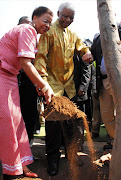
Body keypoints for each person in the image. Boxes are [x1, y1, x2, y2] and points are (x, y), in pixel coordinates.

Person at [34, 2, 93, 176]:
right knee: (53, 125)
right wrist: (43, 83)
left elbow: (82, 46)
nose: (67, 20)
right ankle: (52, 159)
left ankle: (71, 155)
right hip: (53, 86)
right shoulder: (48, 31)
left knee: (71, 124)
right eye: (65, 16)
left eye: (71, 18)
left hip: (70, 87)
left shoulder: (73, 34)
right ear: (58, 13)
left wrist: (86, 52)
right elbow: (41, 58)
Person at [0, 6, 54, 179]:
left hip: (11, 78)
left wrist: (38, 84)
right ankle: (10, 169)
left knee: (17, 121)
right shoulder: (27, 29)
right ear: (35, 17)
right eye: (45, 21)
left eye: (50, 24)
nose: (47, 26)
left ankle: (20, 165)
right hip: (2, 74)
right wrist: (45, 85)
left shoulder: (32, 35)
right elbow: (26, 63)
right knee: (7, 121)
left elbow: (24, 66)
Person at [17, 16, 40, 146]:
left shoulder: (35, 45)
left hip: (29, 86)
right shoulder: (9, 41)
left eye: (29, 26)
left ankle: (28, 147)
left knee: (30, 116)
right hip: (11, 84)